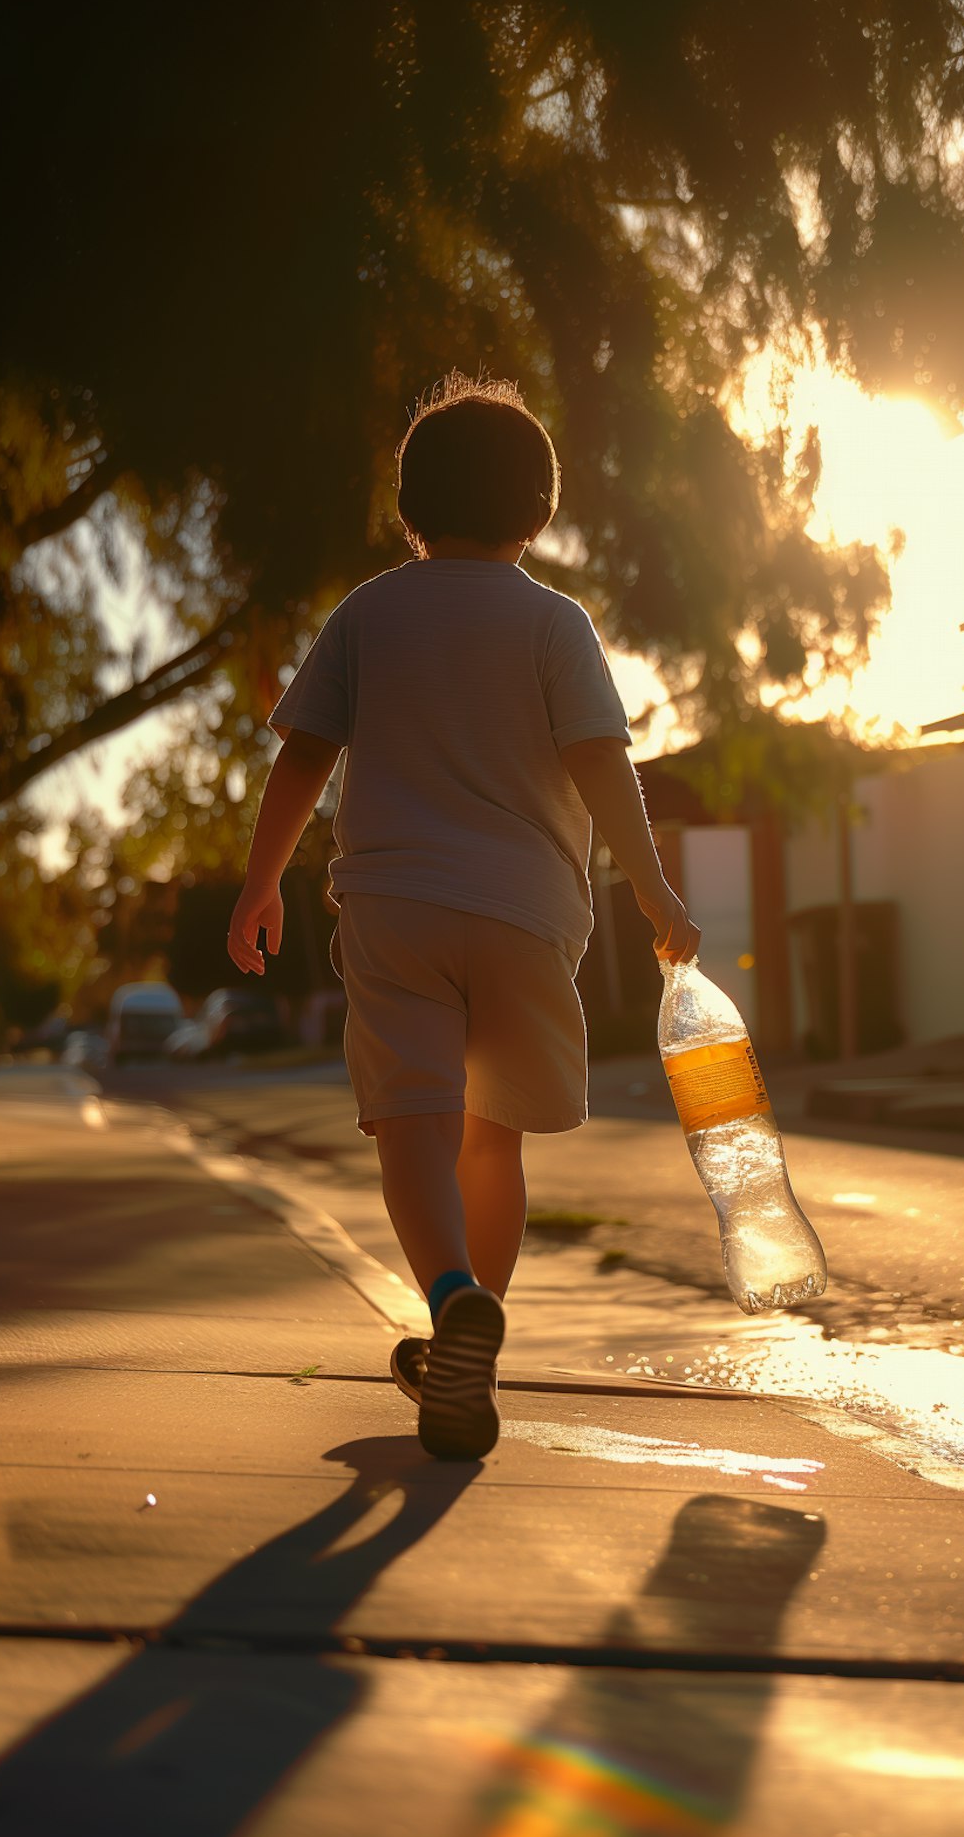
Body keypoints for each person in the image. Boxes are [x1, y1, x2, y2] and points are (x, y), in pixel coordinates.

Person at [226, 375, 698, 1461]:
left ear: (412, 511)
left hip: (397, 904)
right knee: (493, 1137)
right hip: (531, 918)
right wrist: (652, 888)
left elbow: (304, 753)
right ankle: (474, 1320)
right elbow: (601, 761)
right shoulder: (555, 623)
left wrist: (261, 885)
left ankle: (448, 1306)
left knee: (412, 1123)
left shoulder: (370, 611)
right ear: (539, 515)